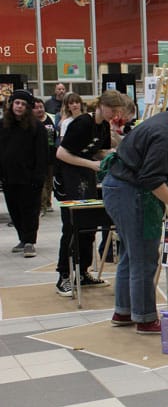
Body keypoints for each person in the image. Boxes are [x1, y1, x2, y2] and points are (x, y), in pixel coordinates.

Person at [102, 96, 168, 334]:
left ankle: (123, 311)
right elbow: (152, 179)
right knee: (143, 256)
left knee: (130, 254)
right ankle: (144, 317)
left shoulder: (165, 120)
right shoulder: (166, 136)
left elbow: (163, 173)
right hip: (130, 192)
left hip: (118, 188)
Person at [54, 90, 126, 296]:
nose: (114, 114)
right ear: (102, 105)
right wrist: (92, 164)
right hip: (69, 177)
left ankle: (83, 271)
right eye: (112, 109)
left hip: (86, 177)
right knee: (71, 225)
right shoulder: (82, 123)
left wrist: (115, 155)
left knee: (89, 223)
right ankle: (64, 275)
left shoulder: (103, 126)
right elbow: (61, 153)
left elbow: (99, 150)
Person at [1, 90, 48, 258]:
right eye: (17, 103)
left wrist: (39, 176)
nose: (19, 107)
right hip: (9, 177)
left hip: (29, 178)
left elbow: (42, 154)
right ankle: (22, 238)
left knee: (30, 210)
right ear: (11, 105)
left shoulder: (37, 128)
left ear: (28, 107)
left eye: (23, 104)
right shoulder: (3, 125)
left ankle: (29, 241)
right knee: (15, 210)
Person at [33, 97, 58, 213]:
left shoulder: (51, 118)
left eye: (41, 107)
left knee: (49, 180)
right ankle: (41, 203)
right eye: (36, 108)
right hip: (38, 156)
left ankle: (48, 201)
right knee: (41, 181)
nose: (39, 110)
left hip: (51, 154)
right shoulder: (31, 121)